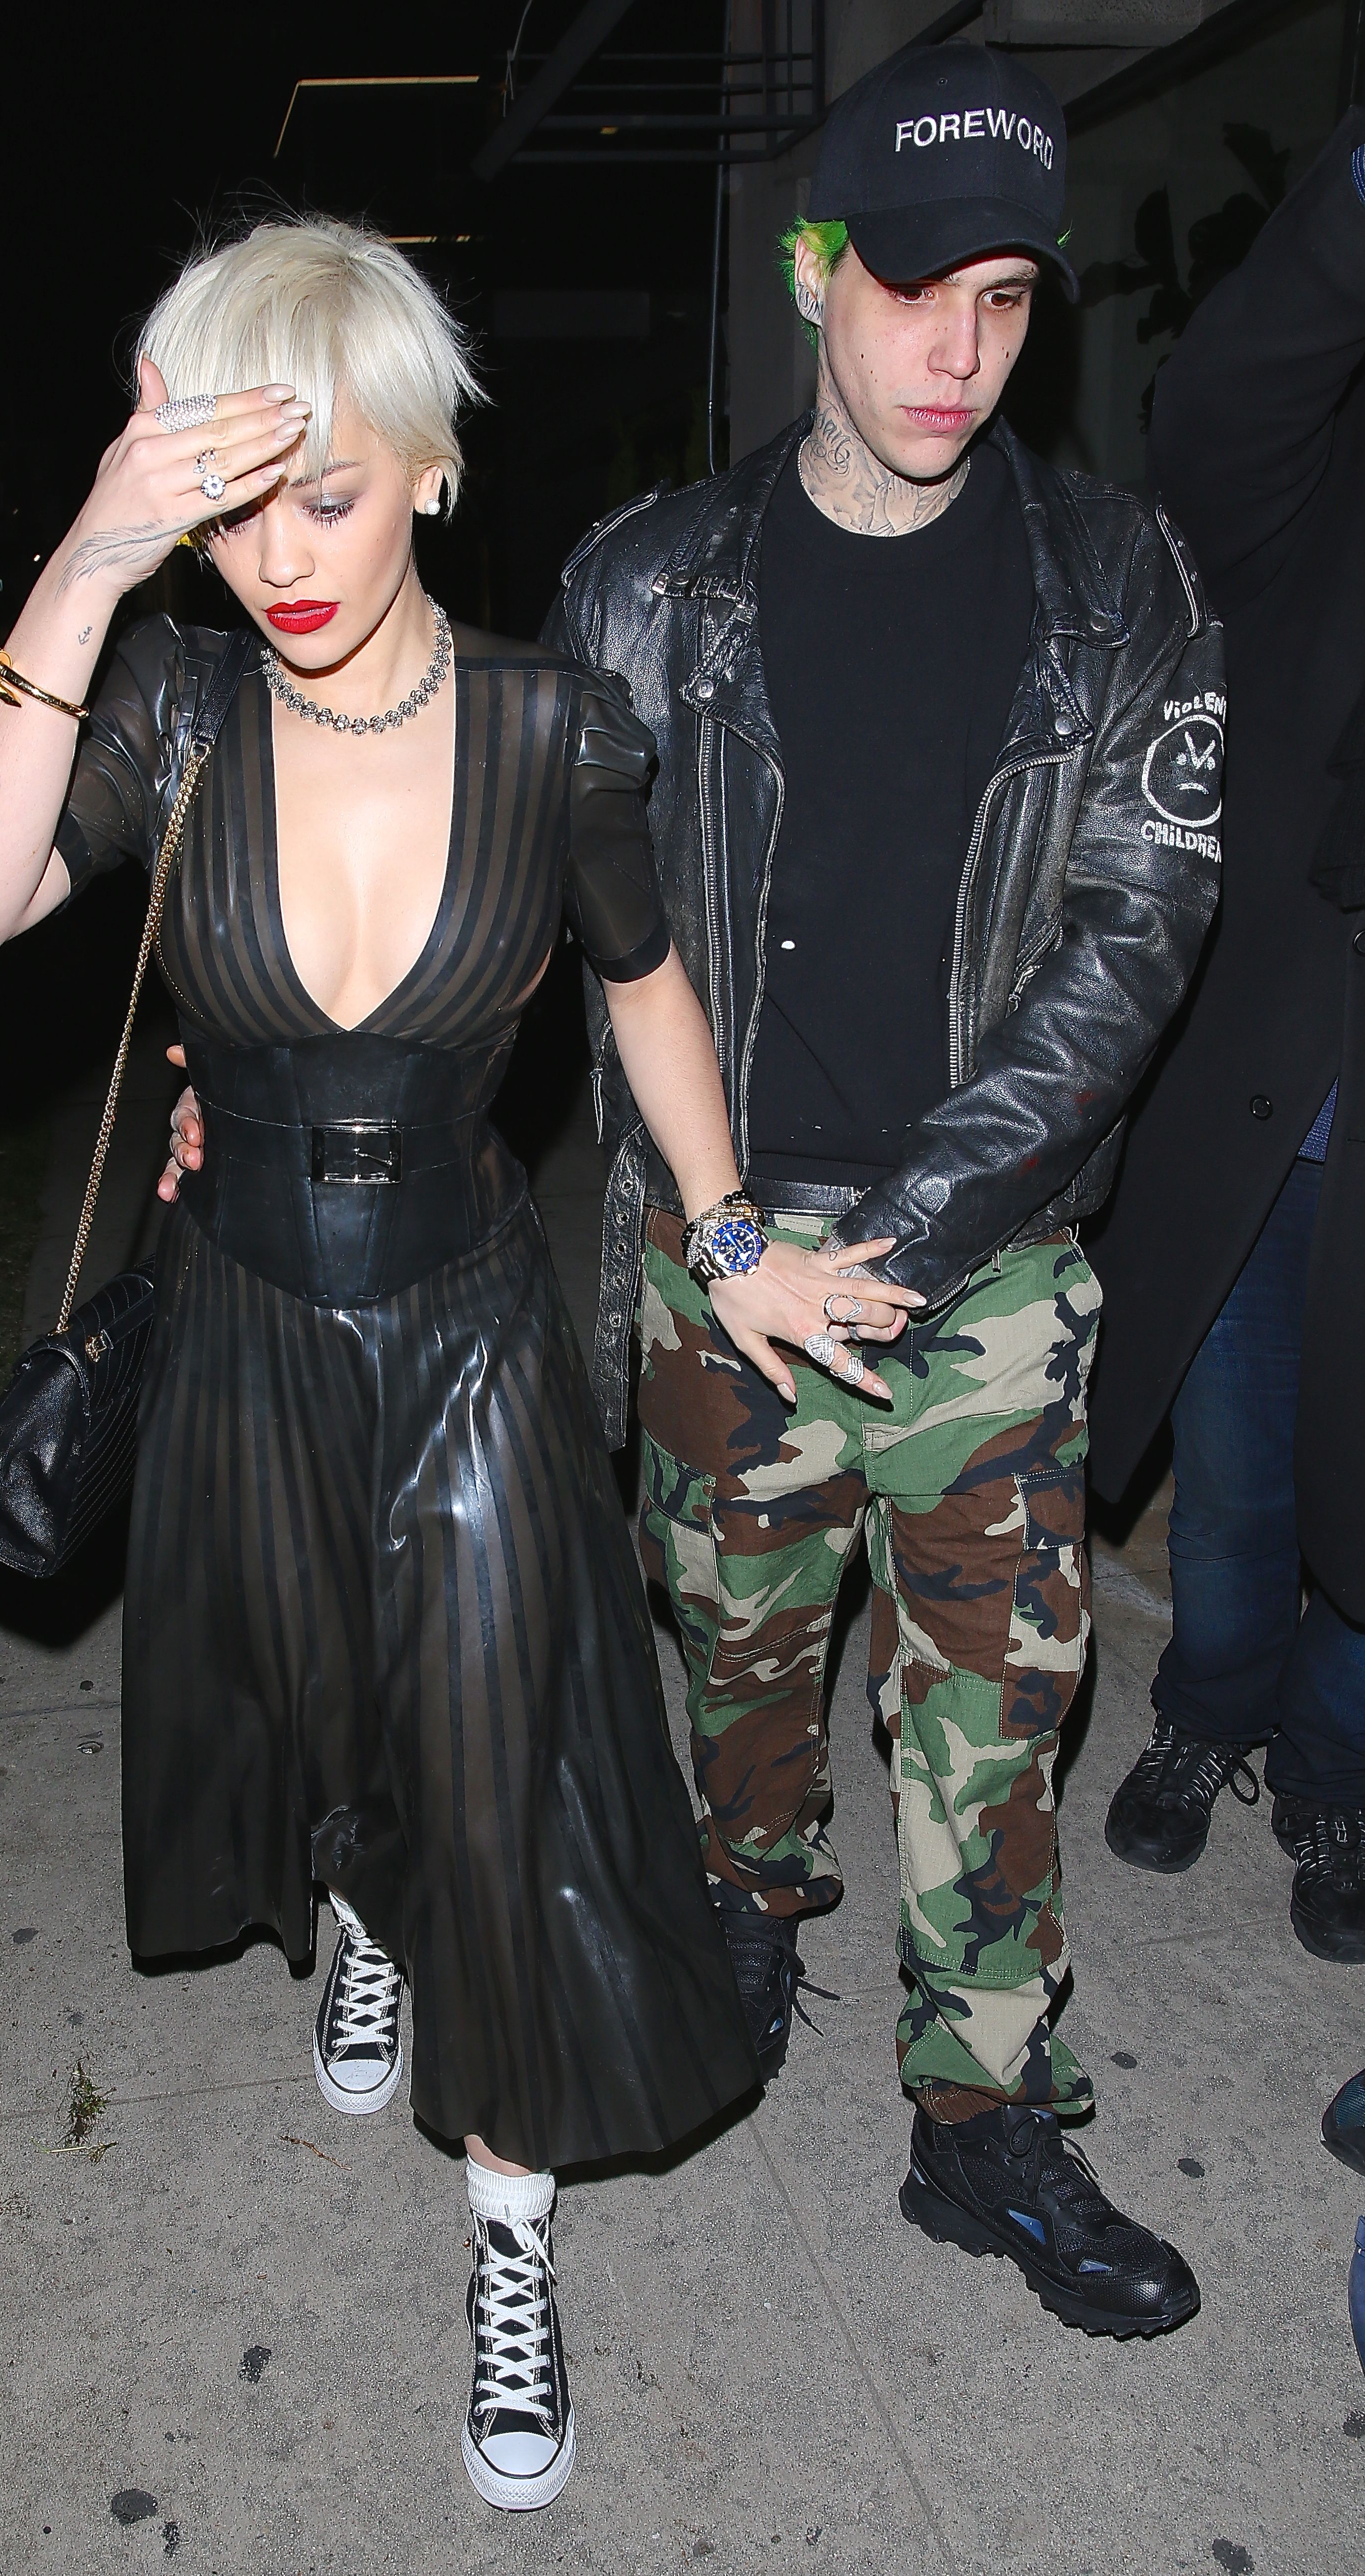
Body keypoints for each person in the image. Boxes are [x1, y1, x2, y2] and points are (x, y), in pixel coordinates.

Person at [0, 216, 921, 2510]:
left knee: (510, 1789)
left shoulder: (553, 731)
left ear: (432, 470)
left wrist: (732, 1235)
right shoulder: (175, 707)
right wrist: (94, 551)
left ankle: (507, 2230)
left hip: (468, 1333)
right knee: (323, 1710)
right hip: (242, 1336)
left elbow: (643, 984)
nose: (281, 559)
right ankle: (355, 1908)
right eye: (234, 508)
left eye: (331, 495)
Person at [543, 44, 1224, 2339]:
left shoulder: (1117, 583)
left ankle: (981, 2111)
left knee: (994, 1711)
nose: (959, 351)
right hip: (724, 1252)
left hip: (982, 1261)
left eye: (1007, 298)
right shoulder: (646, 586)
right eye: (915, 287)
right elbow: (554, 916)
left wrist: (915, 1235)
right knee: (737, 1651)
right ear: (813, 269)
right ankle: (748, 1902)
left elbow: (1135, 933)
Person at [1089, 111, 1365, 1971]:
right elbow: (1212, 413)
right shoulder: (1316, 466)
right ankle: (1207, 1707)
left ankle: (1337, 1771)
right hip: (1265, 1085)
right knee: (1237, 1468)